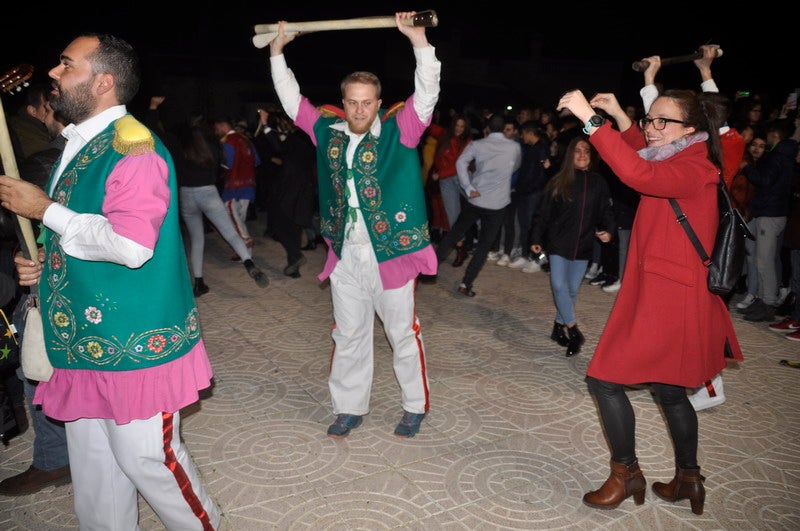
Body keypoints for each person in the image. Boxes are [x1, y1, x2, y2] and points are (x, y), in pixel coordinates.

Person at [0, 33, 219, 528]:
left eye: (65, 65)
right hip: (82, 337)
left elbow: (130, 245)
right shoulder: (81, 144)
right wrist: (39, 258)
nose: (52, 74)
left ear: (103, 82)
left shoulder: (133, 149)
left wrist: (45, 210)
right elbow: (77, 229)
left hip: (133, 340)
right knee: (95, 468)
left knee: (149, 461)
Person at [557, 87, 744, 516]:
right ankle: (688, 480)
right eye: (649, 119)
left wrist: (590, 119)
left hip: (668, 297)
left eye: (663, 121)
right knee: (671, 391)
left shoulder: (697, 166)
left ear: (691, 130)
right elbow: (643, 154)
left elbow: (639, 174)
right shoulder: (680, 155)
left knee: (603, 380)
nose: (651, 128)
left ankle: (626, 475)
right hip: (670, 288)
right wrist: (621, 118)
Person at [268, 12, 439, 439]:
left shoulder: (403, 128)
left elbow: (427, 90)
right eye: (353, 101)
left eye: (368, 102)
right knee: (348, 335)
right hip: (345, 255)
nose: (360, 109)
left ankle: (414, 405)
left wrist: (418, 41)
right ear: (342, 102)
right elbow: (293, 101)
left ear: (379, 103)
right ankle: (349, 407)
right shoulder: (327, 130)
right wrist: (276, 53)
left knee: (403, 334)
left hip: (392, 255)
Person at [640, 46, 747, 411]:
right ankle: (694, 379)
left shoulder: (721, 151)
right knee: (691, 320)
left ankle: (709, 385)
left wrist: (706, 74)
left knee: (697, 321)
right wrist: (650, 82)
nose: (656, 128)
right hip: (690, 237)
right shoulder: (690, 148)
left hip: (705, 241)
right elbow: (662, 126)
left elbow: (704, 116)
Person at [0, 95, 71, 496]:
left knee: (39, 373)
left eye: (44, 108)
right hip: (47, 279)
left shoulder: (50, 163)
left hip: (57, 293)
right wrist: (28, 253)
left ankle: (54, 460)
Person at [146, 97, 269, 295]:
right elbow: (224, 167)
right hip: (208, 192)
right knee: (229, 232)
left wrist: (153, 108)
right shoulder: (214, 143)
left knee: (197, 238)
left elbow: (155, 132)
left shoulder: (178, 143)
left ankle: (199, 283)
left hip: (186, 195)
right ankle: (248, 263)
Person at [528, 136, 615, 356]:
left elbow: (606, 211)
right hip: (558, 243)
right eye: (577, 151)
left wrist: (609, 231)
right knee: (559, 286)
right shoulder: (559, 181)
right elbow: (543, 213)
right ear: (570, 155)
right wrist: (536, 239)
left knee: (572, 291)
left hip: (584, 245)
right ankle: (573, 330)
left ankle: (558, 328)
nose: (582, 154)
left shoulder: (599, 182)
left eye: (586, 150)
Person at [435, 114, 522, 297]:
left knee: (454, 234)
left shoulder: (478, 144)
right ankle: (466, 284)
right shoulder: (514, 147)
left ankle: (429, 269)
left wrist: (467, 186)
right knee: (483, 246)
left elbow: (461, 162)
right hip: (498, 203)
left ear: (487, 129)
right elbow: (515, 167)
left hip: (476, 198)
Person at [213, 116, 261, 255]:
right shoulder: (246, 140)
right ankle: (245, 254)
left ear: (222, 126)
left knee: (231, 217)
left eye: (217, 129)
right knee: (240, 220)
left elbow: (227, 164)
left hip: (233, 186)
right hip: (249, 185)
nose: (217, 132)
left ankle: (245, 240)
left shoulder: (228, 142)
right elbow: (257, 161)